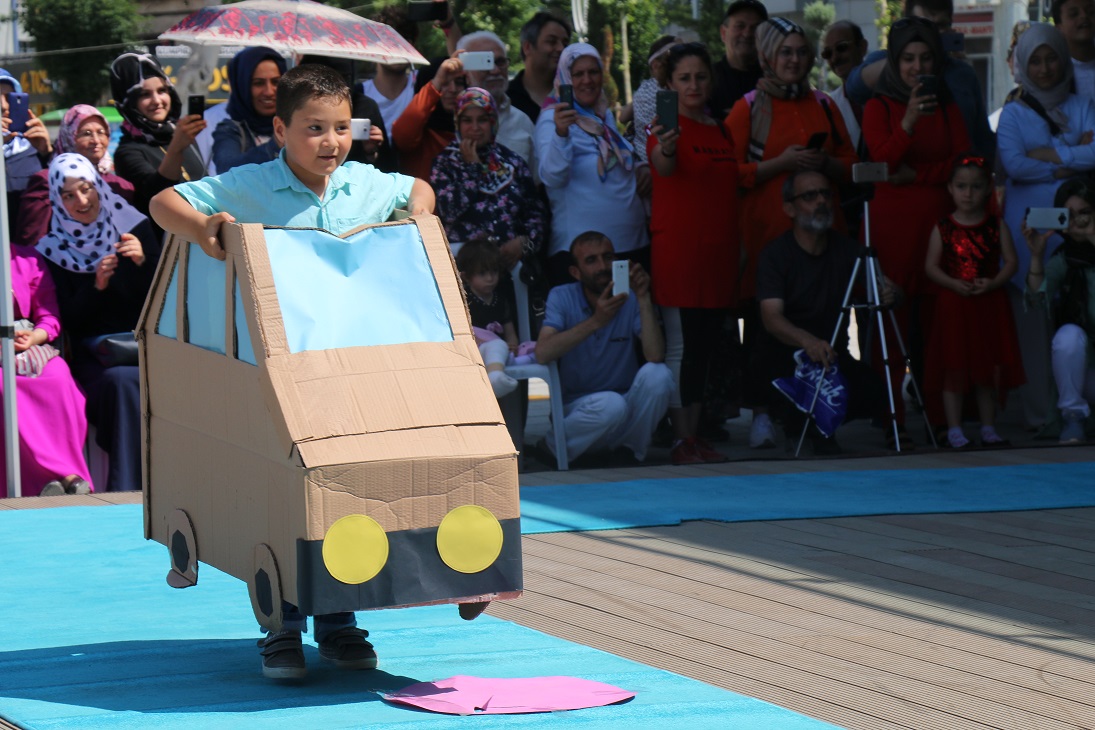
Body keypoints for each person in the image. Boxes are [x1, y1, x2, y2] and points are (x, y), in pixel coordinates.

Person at [149, 63, 435, 680]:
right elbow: (162, 201)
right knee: (282, 484)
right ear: (280, 129)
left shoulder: (363, 182)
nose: (331, 141)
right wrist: (207, 228)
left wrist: (415, 214)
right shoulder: (252, 183)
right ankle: (280, 626)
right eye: (314, 128)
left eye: (340, 127)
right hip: (276, 368)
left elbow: (416, 192)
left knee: (346, 482)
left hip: (353, 366)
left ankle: (339, 618)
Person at [723, 17, 858, 450]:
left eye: (801, 52)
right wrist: (780, 164)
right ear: (767, 57)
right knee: (765, 331)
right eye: (785, 52)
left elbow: (850, 165)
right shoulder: (748, 107)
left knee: (825, 321)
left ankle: (818, 407)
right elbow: (729, 173)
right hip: (767, 236)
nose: (795, 60)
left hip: (821, 236)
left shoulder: (824, 105)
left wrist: (824, 165)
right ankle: (762, 413)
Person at [861, 15, 971, 447]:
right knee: (892, 323)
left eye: (926, 57)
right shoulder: (878, 106)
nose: (917, 66)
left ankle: (944, 418)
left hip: (942, 230)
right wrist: (907, 121)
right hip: (894, 233)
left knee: (941, 326)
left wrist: (918, 176)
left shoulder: (949, 105)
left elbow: (965, 166)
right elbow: (882, 164)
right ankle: (892, 417)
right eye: (908, 58)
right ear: (895, 60)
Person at [36, 153, 160, 494]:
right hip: (96, 356)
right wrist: (96, 288)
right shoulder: (51, 249)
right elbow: (66, 322)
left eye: (87, 188)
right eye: (68, 195)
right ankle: (128, 491)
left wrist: (144, 263)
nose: (82, 201)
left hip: (147, 345)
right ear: (56, 201)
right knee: (121, 382)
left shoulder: (133, 225)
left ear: (98, 185)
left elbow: (164, 295)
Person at [998, 23, 1095, 431]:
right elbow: (1014, 163)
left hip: (1082, 228)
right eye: (1034, 60)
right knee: (1035, 321)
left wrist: (1048, 156)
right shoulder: (1013, 114)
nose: (1044, 67)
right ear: (1021, 64)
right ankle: (1043, 416)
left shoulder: (1083, 104)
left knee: (1082, 312)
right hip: (1028, 236)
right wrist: (1074, 155)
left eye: (1052, 56)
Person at [755, 170, 892, 454]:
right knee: (777, 378)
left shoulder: (848, 249)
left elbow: (881, 289)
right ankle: (798, 425)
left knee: (875, 391)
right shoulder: (775, 254)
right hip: (787, 355)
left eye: (826, 194)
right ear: (789, 208)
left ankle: (822, 426)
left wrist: (892, 293)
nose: (821, 201)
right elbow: (771, 317)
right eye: (810, 196)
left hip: (833, 356)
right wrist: (807, 341)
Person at [648, 42, 738, 465]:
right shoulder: (662, 129)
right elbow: (662, 166)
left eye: (700, 76)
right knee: (682, 349)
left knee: (705, 350)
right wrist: (667, 145)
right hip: (680, 254)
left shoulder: (721, 129)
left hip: (718, 255)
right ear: (668, 84)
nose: (694, 84)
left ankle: (696, 435)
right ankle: (680, 438)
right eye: (683, 78)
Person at [535, 231, 674, 465]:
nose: (603, 266)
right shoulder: (561, 296)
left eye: (608, 257)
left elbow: (655, 354)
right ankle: (551, 447)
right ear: (575, 272)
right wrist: (597, 321)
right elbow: (543, 352)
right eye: (591, 260)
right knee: (610, 404)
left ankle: (629, 452)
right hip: (579, 410)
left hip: (623, 406)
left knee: (659, 375)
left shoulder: (629, 297)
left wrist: (643, 297)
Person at [924, 155, 1024, 448]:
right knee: (953, 367)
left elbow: (1011, 262)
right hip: (954, 306)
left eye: (976, 187)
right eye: (962, 186)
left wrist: (993, 282)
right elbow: (931, 267)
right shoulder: (943, 227)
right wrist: (953, 283)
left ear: (988, 189)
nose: (968, 194)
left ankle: (988, 427)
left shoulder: (996, 225)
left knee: (988, 368)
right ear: (950, 189)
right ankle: (954, 429)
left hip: (988, 305)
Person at [536, 43, 649, 286]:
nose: (587, 80)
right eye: (578, 74)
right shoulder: (552, 119)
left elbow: (614, 163)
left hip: (630, 245)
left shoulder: (602, 113)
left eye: (593, 72)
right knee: (598, 321)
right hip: (583, 257)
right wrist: (562, 133)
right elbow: (552, 177)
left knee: (631, 322)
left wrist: (640, 168)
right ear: (565, 78)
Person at [844, 0, 995, 162]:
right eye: (924, 25)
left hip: (955, 178)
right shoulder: (884, 62)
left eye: (940, 25)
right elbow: (853, 88)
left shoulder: (963, 74)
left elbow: (982, 141)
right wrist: (899, 60)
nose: (932, 34)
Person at [0, 244, 92, 498]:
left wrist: (33, 337)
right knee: (3, 387)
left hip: (29, 347)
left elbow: (49, 315)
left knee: (58, 377)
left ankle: (67, 472)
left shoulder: (28, 259)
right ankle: (46, 481)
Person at [430, 87, 544, 269]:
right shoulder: (444, 165)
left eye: (482, 120)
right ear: (457, 123)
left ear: (493, 122)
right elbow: (448, 212)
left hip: (510, 267)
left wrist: (525, 242)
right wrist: (473, 169)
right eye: (467, 120)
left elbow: (535, 213)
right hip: (465, 268)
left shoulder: (511, 162)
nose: (475, 128)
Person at [1022, 178, 1095, 443]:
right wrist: (1036, 256)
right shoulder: (1066, 257)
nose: (1077, 221)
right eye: (1068, 214)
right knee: (1067, 336)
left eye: (1084, 212)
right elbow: (1035, 301)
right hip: (1089, 369)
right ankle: (1073, 418)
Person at [15, 105, 134, 249]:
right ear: (69, 137)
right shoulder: (48, 181)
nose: (96, 140)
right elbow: (32, 240)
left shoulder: (120, 185)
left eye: (101, 132)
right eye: (86, 133)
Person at [110, 52, 207, 220]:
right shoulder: (127, 152)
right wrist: (176, 149)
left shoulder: (181, 135)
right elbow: (156, 193)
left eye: (162, 91)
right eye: (144, 94)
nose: (157, 100)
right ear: (128, 102)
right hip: (166, 243)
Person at [456, 31, 536, 167]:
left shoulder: (522, 122)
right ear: (465, 70)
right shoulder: (446, 119)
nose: (495, 71)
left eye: (500, 62)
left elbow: (534, 182)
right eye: (485, 62)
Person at [456, 240, 519, 398]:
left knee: (499, 345)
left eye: (494, 272)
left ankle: (495, 377)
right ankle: (495, 378)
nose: (490, 278)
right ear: (466, 277)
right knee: (497, 345)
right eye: (482, 273)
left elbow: (509, 329)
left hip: (496, 350)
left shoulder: (500, 300)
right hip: (474, 351)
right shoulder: (464, 299)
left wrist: (513, 345)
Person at [391, 53, 466, 179]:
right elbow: (402, 134)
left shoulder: (473, 129)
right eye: (444, 83)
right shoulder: (419, 133)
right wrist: (435, 83)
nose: (453, 89)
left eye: (459, 83)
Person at [212, 46, 286, 173]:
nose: (269, 92)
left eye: (276, 82)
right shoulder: (231, 130)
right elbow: (227, 170)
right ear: (242, 86)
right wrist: (275, 145)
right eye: (258, 83)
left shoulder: (297, 125)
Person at [1, 69, 53, 229]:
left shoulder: (33, 148)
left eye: (9, 97)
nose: (3, 106)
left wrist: (47, 153)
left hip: (31, 250)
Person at [363, 7, 419, 134]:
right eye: (390, 41)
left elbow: (459, 60)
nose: (398, 48)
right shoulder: (357, 95)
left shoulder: (424, 86)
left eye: (405, 40)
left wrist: (447, 22)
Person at [710, 0, 768, 120]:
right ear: (723, 33)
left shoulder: (775, 80)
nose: (747, 34)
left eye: (755, 27)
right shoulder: (707, 79)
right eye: (740, 26)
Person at [508, 12, 571, 123]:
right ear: (527, 47)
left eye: (565, 44)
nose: (561, 48)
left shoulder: (574, 96)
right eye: (552, 42)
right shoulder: (505, 99)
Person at [628, 35, 679, 165]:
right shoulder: (672, 92)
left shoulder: (643, 87)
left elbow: (622, 117)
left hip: (640, 159)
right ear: (656, 66)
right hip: (661, 160)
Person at [821, 21, 869, 152]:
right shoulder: (829, 105)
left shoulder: (887, 91)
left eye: (841, 47)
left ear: (862, 47)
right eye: (828, 53)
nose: (835, 57)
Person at [1053, 0, 1095, 100]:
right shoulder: (1055, 72)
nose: (1084, 16)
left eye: (1091, 12)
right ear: (1059, 28)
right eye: (1074, 14)